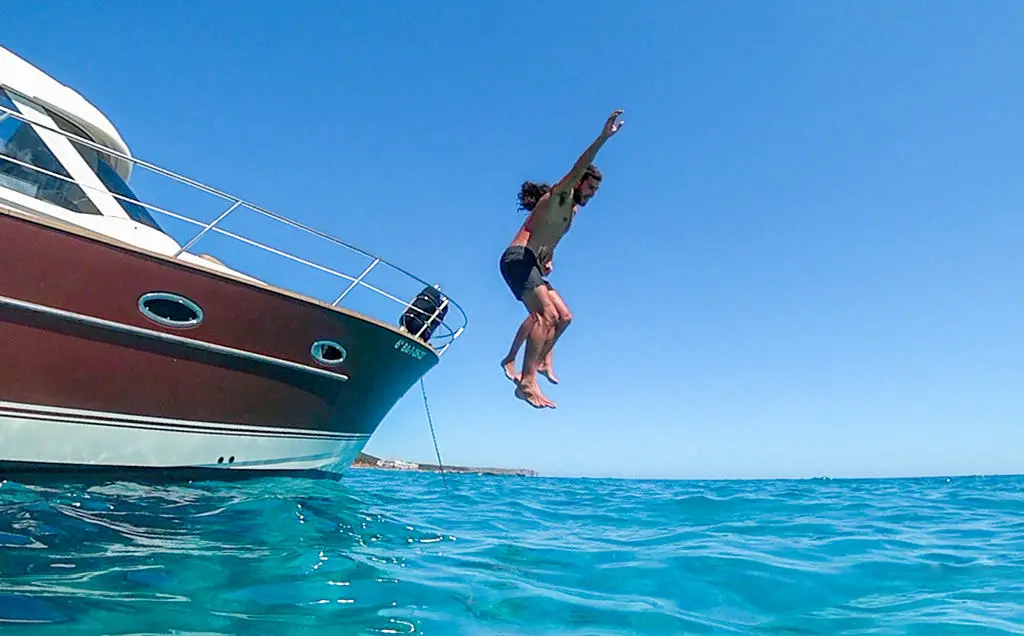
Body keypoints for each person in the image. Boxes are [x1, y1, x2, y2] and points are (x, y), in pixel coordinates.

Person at [498, 109, 625, 408]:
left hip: (531, 262)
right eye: (591, 187)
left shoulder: (571, 214)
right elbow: (579, 165)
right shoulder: (559, 196)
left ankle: (539, 361)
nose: (593, 194)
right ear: (579, 182)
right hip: (517, 258)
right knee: (546, 315)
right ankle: (526, 382)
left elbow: (549, 240)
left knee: (565, 317)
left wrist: (548, 258)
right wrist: (603, 137)